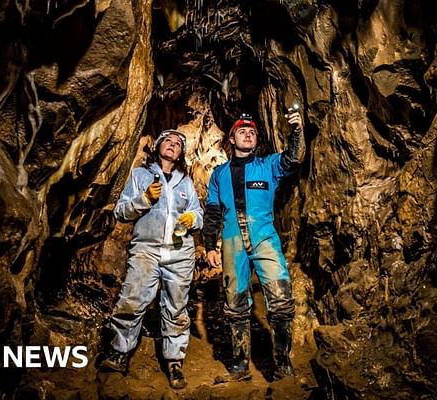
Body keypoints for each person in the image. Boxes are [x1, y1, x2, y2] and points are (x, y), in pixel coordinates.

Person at [203, 108, 305, 382]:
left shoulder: (268, 166)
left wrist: (296, 132)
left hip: (265, 239)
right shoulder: (219, 174)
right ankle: (240, 365)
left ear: (256, 140)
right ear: (232, 140)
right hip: (232, 241)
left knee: (281, 300)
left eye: (252, 132)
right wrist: (209, 245)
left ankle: (282, 364)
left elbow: (293, 159)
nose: (248, 134)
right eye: (241, 131)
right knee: (235, 303)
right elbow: (212, 211)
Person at [99, 129, 203, 390]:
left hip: (180, 253)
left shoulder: (186, 182)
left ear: (181, 153)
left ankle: (174, 360)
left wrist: (193, 219)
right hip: (146, 248)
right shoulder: (140, 176)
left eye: (178, 143)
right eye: (168, 141)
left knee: (176, 306)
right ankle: (119, 351)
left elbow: (198, 213)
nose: (172, 145)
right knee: (132, 299)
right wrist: (144, 199)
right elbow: (121, 211)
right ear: (158, 146)